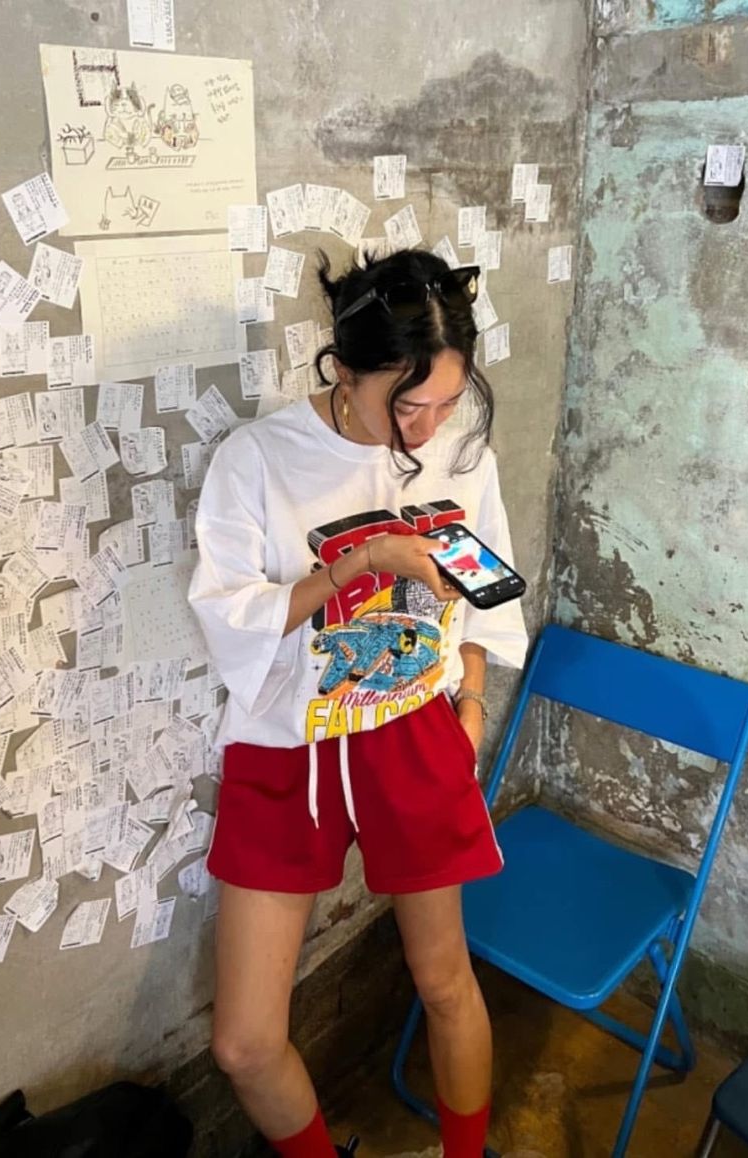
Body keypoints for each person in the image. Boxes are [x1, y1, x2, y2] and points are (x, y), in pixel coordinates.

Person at [189, 248, 528, 1158]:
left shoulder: (459, 447)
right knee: (244, 1043)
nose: (427, 429)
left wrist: (471, 701)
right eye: (406, 406)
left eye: (447, 402)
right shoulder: (259, 460)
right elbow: (229, 615)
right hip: (289, 744)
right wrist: (361, 562)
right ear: (343, 370)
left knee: (444, 981)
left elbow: (482, 592)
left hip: (413, 731)